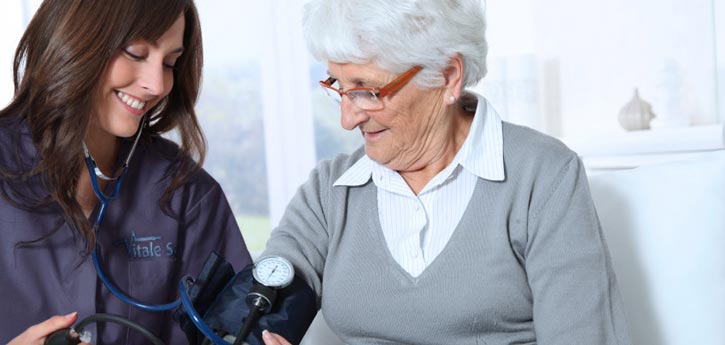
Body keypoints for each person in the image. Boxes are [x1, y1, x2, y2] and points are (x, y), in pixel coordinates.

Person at [259, 0, 631, 344]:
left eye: (366, 90)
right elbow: (256, 307)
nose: (346, 118)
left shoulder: (544, 177)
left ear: (448, 76)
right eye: (339, 85)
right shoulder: (330, 191)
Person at [0, 0, 252, 344]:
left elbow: (236, 329)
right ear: (74, 38)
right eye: (136, 53)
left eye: (169, 62)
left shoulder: (186, 194)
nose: (157, 84)